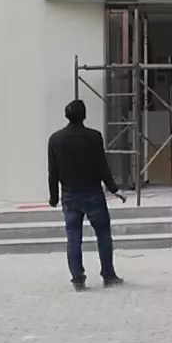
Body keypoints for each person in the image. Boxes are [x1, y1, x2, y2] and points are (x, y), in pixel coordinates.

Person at [48, 99, 126, 291]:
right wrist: (114, 189)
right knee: (103, 234)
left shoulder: (55, 139)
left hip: (69, 194)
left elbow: (53, 171)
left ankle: (77, 278)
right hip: (93, 192)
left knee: (74, 238)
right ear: (84, 115)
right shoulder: (94, 137)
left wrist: (54, 197)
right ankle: (108, 275)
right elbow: (102, 166)